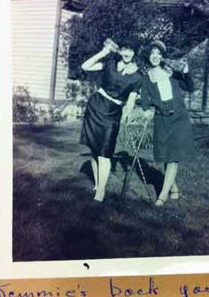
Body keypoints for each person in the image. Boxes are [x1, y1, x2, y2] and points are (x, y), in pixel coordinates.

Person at [80, 37, 142, 202]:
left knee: (105, 152)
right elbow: (85, 66)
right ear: (120, 50)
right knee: (94, 149)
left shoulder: (137, 77)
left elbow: (130, 101)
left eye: (130, 50)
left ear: (134, 53)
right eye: (124, 49)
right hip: (95, 107)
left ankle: (100, 192)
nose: (127, 52)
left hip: (113, 114)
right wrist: (104, 52)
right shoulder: (109, 65)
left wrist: (128, 114)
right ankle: (98, 185)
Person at [140, 40, 195, 207]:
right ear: (149, 57)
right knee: (165, 154)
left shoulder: (172, 72)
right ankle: (174, 186)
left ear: (162, 56)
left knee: (173, 157)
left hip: (178, 117)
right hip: (161, 118)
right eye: (152, 53)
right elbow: (144, 98)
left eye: (158, 53)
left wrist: (185, 70)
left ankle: (162, 195)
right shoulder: (147, 77)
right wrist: (146, 109)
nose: (155, 56)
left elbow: (191, 87)